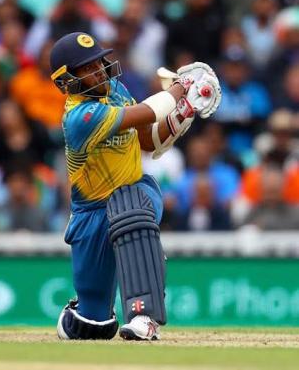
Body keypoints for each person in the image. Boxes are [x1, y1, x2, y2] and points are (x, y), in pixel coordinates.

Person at [50, 32, 221, 341]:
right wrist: (181, 88)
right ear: (67, 80)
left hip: (135, 190)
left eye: (98, 63)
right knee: (93, 326)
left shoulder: (116, 90)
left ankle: (145, 316)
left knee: (130, 208)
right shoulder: (78, 116)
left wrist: (184, 112)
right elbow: (150, 111)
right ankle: (82, 315)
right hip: (91, 213)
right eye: (87, 68)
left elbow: (148, 140)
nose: (99, 71)